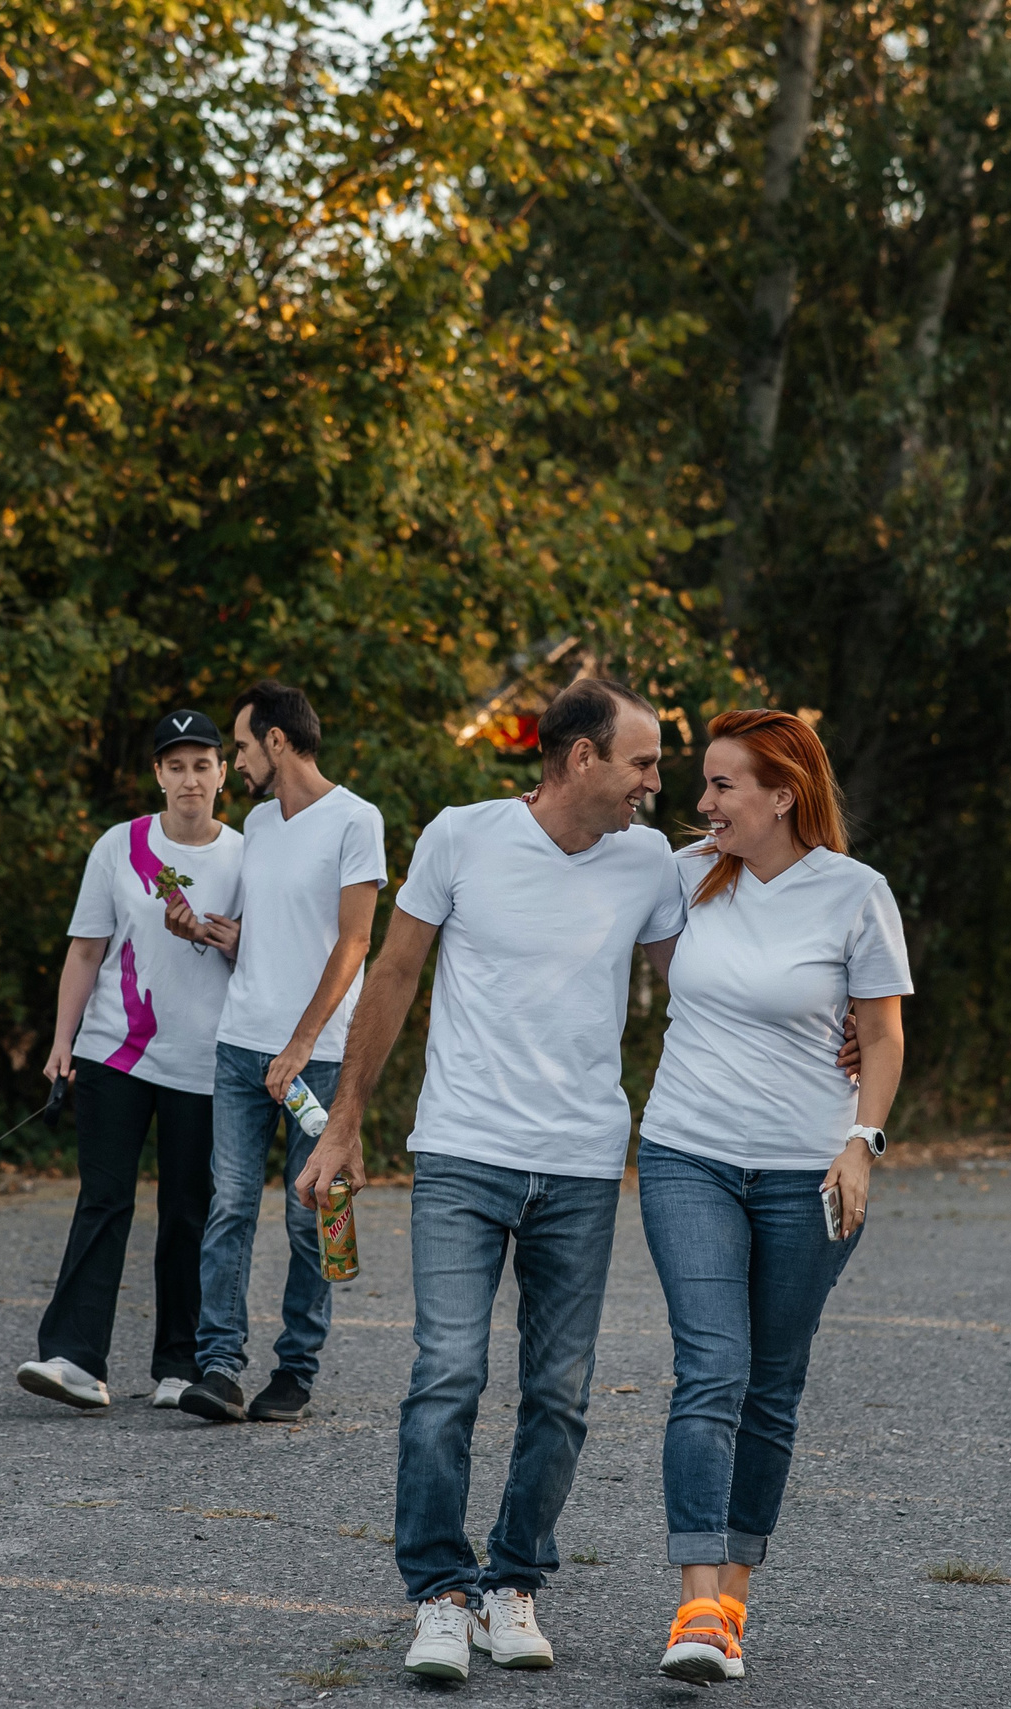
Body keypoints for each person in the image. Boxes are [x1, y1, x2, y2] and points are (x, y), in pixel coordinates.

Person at [296, 677, 686, 1681]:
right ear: (581, 758)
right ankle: (437, 1593)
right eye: (642, 760)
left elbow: (706, 985)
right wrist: (344, 1123)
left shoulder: (648, 860)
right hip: (463, 1150)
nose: (657, 780)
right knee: (447, 1373)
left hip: (583, 1163)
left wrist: (845, 1035)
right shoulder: (461, 836)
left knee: (560, 1391)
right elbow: (391, 975)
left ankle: (512, 1581)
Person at [634, 708, 910, 1683]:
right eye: (700, 784)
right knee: (710, 1366)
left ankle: (733, 1599)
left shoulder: (855, 893)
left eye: (720, 786)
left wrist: (860, 1143)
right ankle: (695, 1607)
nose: (700, 802)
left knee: (771, 1384)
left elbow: (879, 1038)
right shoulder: (677, 874)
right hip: (686, 1155)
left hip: (809, 1170)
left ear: (782, 793)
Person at [17, 710, 244, 1412]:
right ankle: (74, 1357)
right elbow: (85, 949)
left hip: (204, 1063)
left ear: (222, 773)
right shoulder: (120, 846)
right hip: (113, 1051)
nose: (188, 778)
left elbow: (265, 959)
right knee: (104, 1199)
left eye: (201, 764)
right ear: (157, 774)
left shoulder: (244, 855)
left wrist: (228, 940)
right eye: (174, 766)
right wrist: (62, 1040)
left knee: (186, 1211)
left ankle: (179, 1364)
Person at [173, 680, 386, 1426]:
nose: (235, 760)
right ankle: (220, 1366)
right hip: (240, 1047)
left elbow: (355, 943)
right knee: (229, 1204)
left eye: (238, 745)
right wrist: (216, 934)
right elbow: (275, 933)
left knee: (313, 1214)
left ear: (275, 739)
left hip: (317, 1056)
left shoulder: (357, 820)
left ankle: (295, 1369)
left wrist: (300, 1044)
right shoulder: (260, 823)